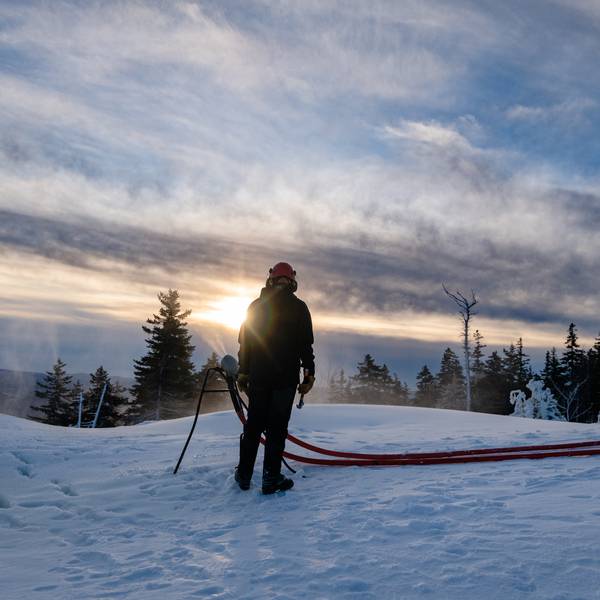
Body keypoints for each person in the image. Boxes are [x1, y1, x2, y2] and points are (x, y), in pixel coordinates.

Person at [235, 262, 315, 494]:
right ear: (291, 281)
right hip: (285, 380)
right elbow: (305, 347)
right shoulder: (299, 308)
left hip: (259, 377)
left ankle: (244, 474)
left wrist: (243, 371)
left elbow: (245, 344)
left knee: (254, 426)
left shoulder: (255, 307)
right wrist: (309, 376)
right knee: (277, 429)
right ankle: (271, 477)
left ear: (271, 279)